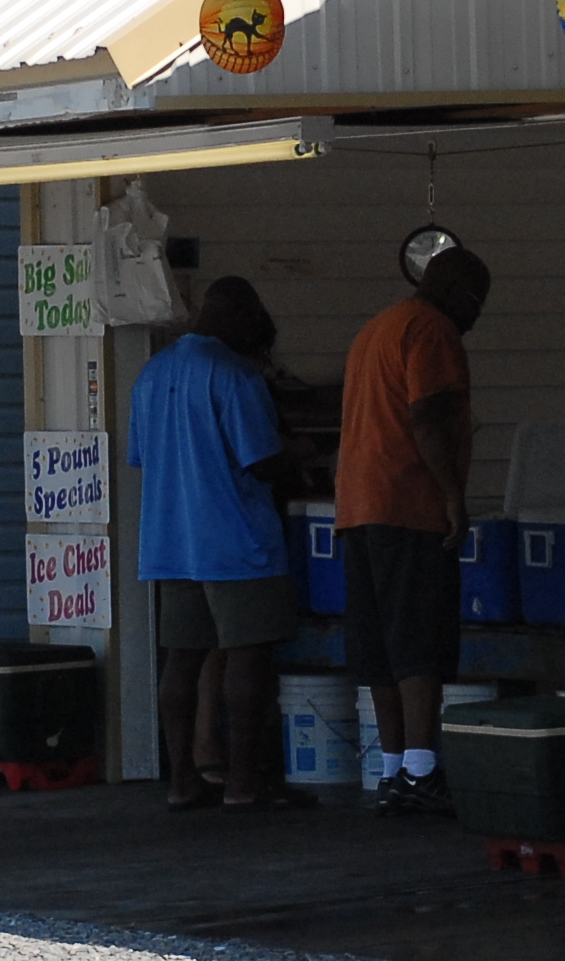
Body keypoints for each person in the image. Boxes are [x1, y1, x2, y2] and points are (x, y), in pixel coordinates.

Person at [131, 276, 303, 809]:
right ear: (239, 320)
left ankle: (183, 782)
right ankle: (246, 784)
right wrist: (297, 452)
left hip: (170, 538)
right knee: (248, 658)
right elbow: (262, 460)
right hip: (237, 540)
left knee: (181, 659)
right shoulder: (235, 376)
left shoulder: (150, 375)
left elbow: (142, 457)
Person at [339, 236, 493, 814]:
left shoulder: (376, 328)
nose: (476, 317)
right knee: (419, 641)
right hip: (407, 503)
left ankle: (393, 768)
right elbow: (426, 417)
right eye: (477, 302)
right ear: (456, 292)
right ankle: (423, 768)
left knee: (379, 645)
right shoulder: (432, 330)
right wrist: (453, 496)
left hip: (357, 506)